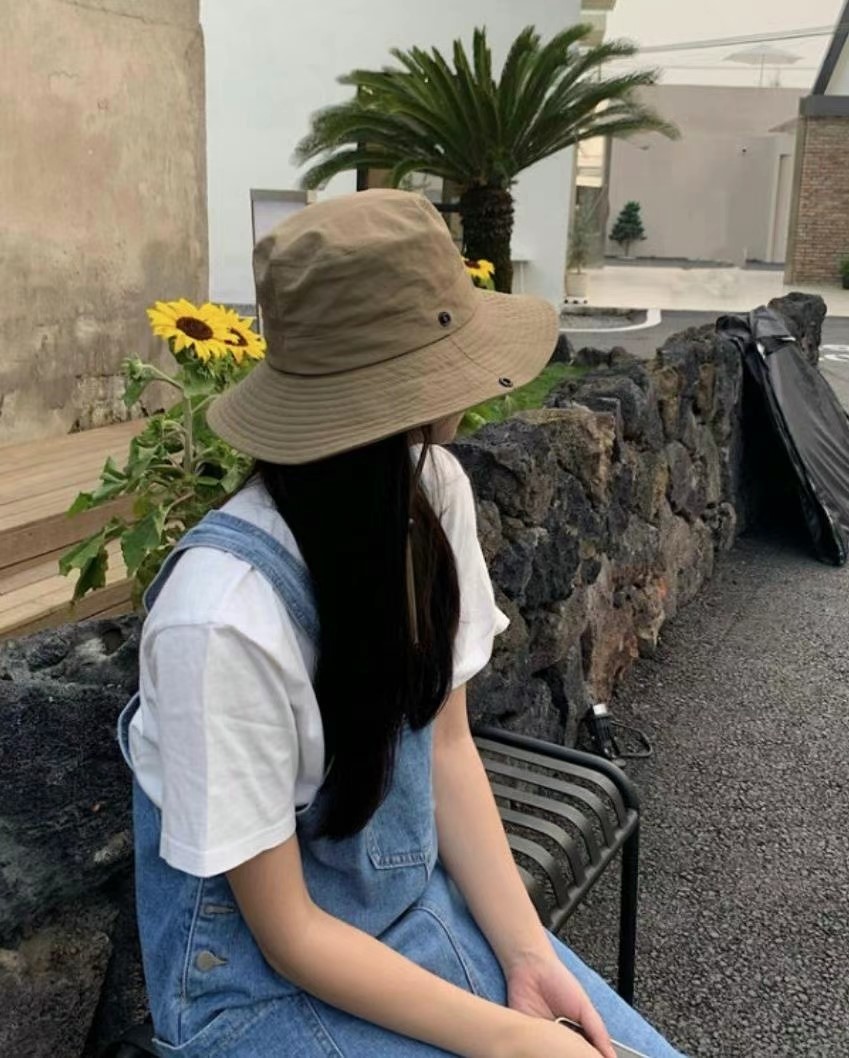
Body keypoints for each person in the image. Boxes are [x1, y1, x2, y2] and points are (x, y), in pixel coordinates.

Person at [118, 189, 686, 1058]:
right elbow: (288, 935)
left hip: (407, 918)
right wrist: (512, 1042)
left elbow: (446, 746)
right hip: (253, 992)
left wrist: (527, 956)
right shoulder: (220, 619)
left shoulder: (432, 491)